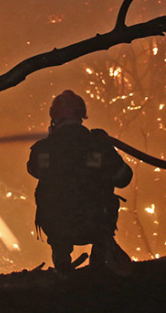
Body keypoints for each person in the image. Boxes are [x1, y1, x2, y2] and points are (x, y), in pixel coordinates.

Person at [27, 90, 134, 275]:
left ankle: (61, 259)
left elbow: (34, 170)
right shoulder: (98, 145)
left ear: (54, 117)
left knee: (50, 200)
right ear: (81, 116)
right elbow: (124, 178)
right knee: (106, 203)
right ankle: (101, 257)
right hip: (94, 222)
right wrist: (105, 150)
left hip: (58, 226)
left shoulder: (42, 149)